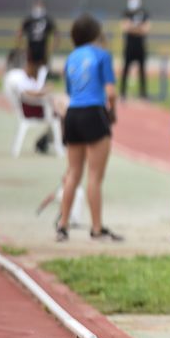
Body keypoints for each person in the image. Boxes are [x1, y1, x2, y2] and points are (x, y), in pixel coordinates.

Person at [57, 14, 122, 242]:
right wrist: (112, 110)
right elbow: (111, 92)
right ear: (96, 34)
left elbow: (69, 91)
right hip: (93, 112)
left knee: (73, 172)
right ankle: (96, 228)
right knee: (94, 176)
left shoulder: (71, 57)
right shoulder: (102, 55)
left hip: (72, 115)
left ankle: (62, 224)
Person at [5, 52, 67, 154]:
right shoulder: (21, 78)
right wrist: (43, 91)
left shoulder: (26, 78)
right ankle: (54, 143)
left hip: (38, 108)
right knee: (61, 115)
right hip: (36, 111)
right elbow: (29, 93)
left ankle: (46, 141)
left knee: (60, 112)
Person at [120, 0, 150, 100]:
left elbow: (146, 29)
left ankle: (143, 93)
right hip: (129, 45)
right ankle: (122, 92)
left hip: (140, 46)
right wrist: (138, 28)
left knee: (142, 70)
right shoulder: (126, 12)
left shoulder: (144, 13)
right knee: (125, 69)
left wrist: (132, 28)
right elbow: (125, 27)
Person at [14, 0, 58, 70]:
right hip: (32, 47)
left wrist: (53, 46)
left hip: (42, 47)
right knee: (32, 66)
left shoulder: (45, 19)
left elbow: (56, 33)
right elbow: (20, 32)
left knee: (41, 67)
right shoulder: (30, 19)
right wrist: (20, 45)